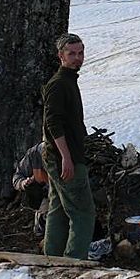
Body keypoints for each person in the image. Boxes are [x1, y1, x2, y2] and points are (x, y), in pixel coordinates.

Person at [41, 33, 95, 260]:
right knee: (83, 213)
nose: (77, 58)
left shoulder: (69, 81)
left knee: (59, 209)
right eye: (71, 54)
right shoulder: (58, 84)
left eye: (80, 53)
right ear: (60, 56)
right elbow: (52, 122)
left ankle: (51, 257)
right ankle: (74, 262)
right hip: (64, 156)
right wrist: (66, 157)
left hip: (59, 155)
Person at [12, 142, 49, 236]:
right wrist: (23, 183)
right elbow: (17, 177)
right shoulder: (34, 154)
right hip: (45, 198)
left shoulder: (69, 151)